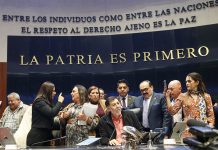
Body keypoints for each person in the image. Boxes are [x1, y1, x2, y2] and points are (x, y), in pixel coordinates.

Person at [166, 72, 215, 138]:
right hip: (188, 132)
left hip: (203, 131)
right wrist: (167, 98)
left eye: (189, 81)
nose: (187, 83)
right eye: (186, 82)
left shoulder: (206, 96)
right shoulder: (182, 96)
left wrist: (209, 129)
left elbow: (211, 116)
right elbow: (172, 112)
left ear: (197, 82)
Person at [26, 81, 64, 146]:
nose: (55, 93)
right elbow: (51, 113)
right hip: (37, 138)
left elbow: (49, 115)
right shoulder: (39, 101)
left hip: (46, 136)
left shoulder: (45, 102)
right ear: (47, 91)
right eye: (53, 91)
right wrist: (59, 101)